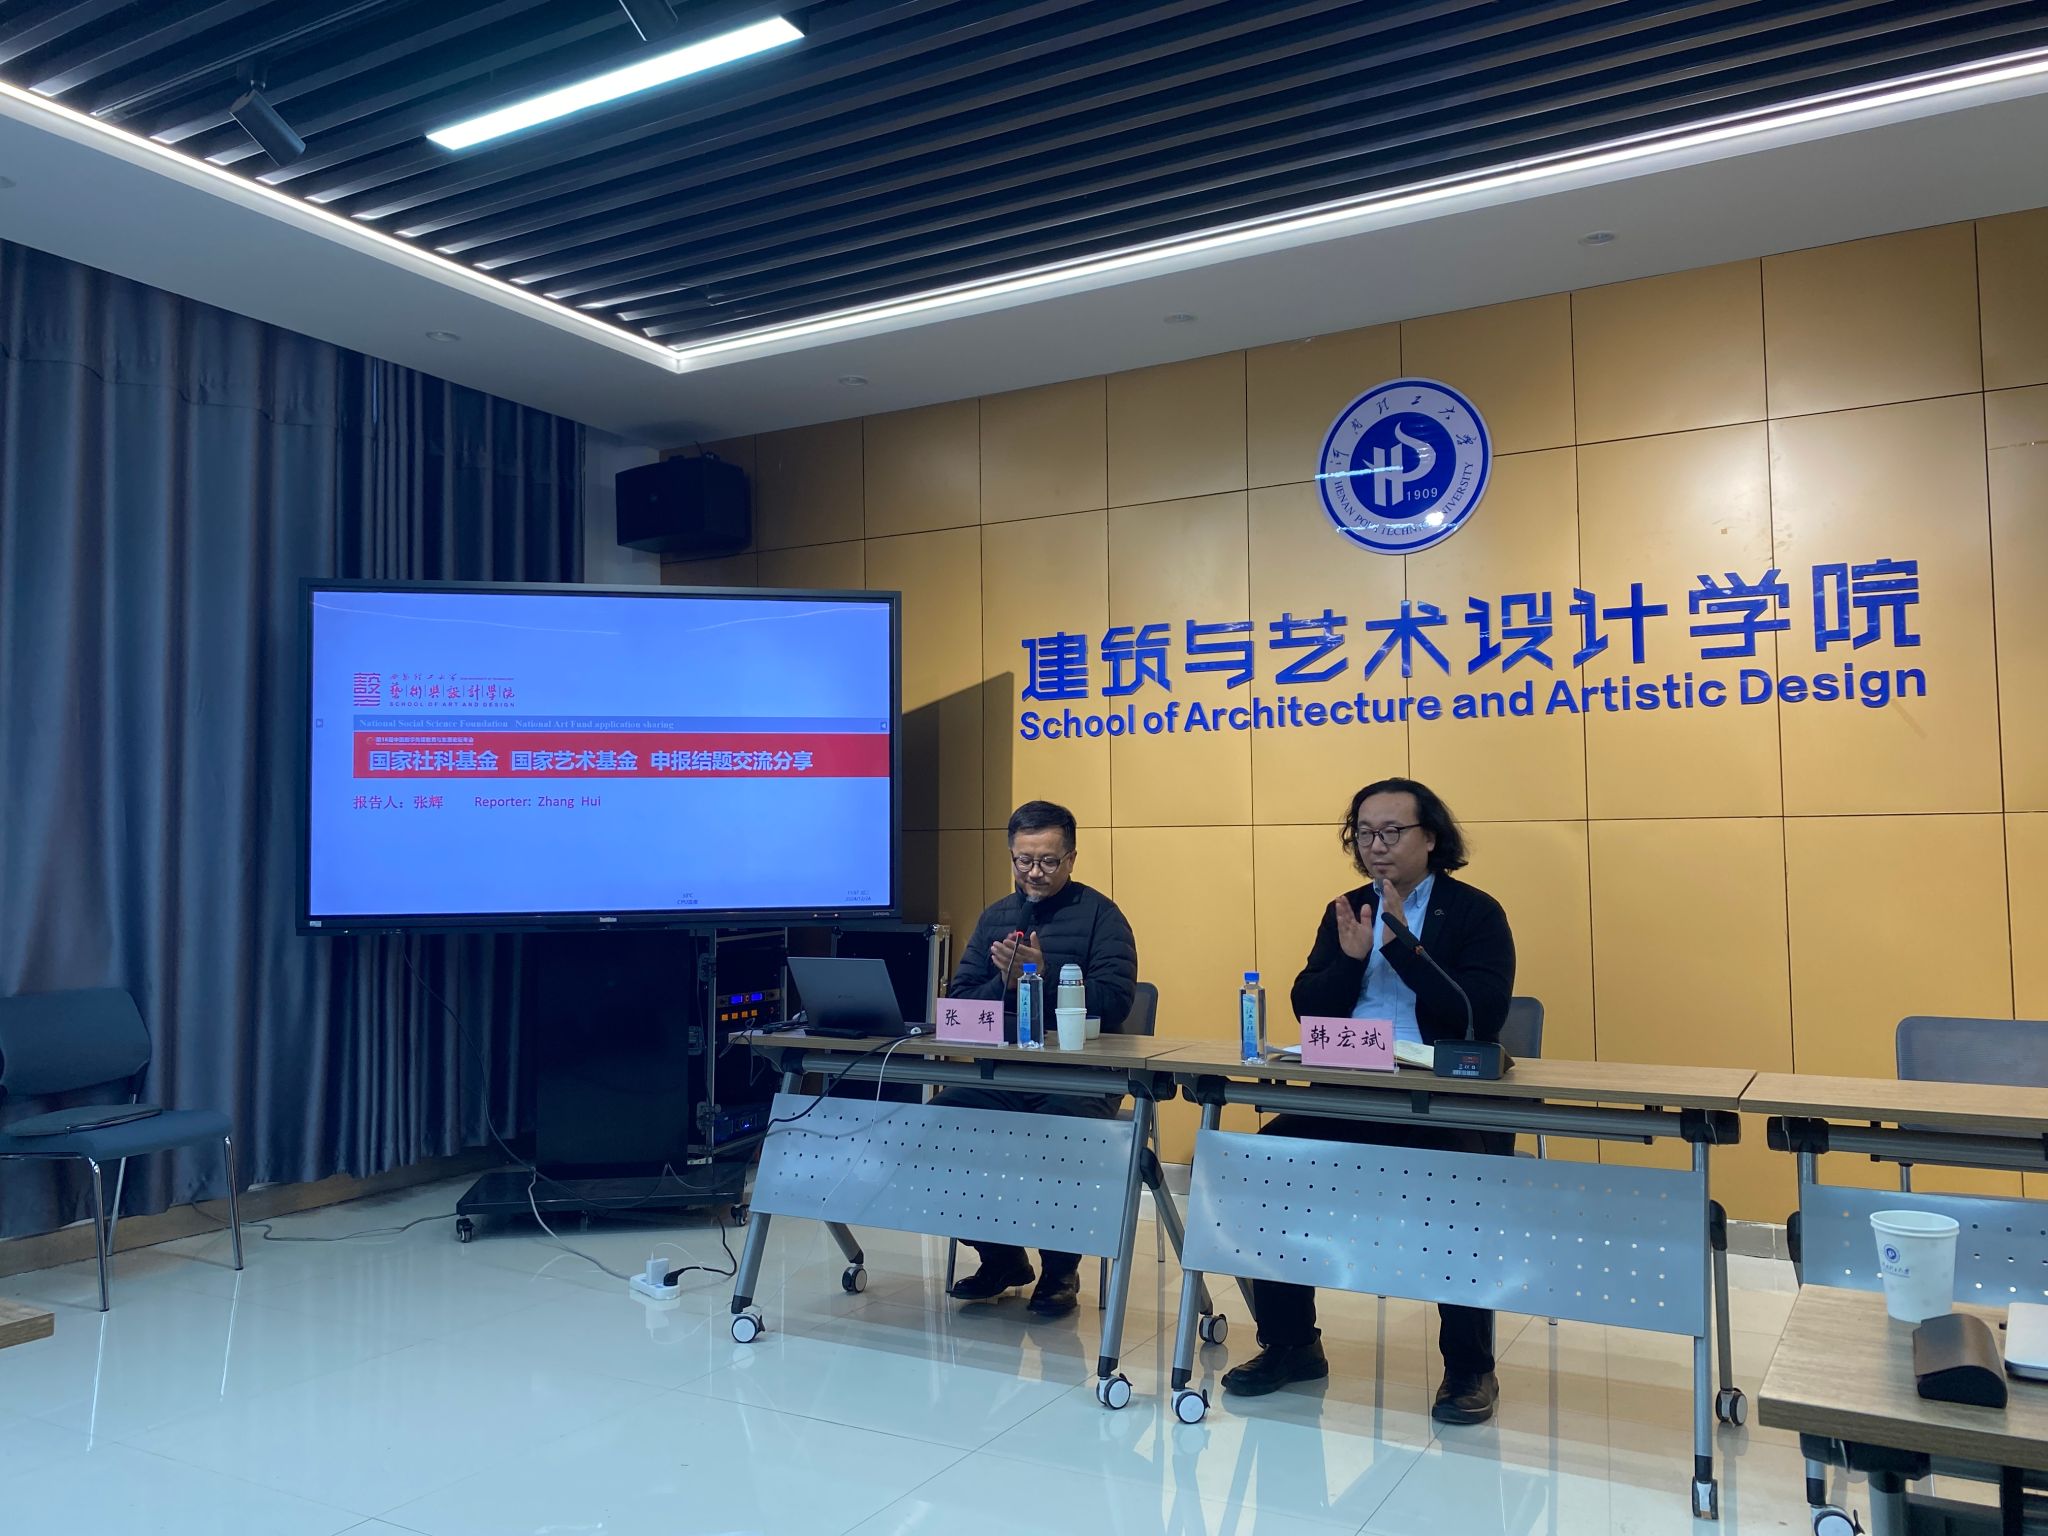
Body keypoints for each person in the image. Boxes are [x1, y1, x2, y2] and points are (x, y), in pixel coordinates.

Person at [1220, 776, 1516, 1424]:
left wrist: (1402, 947)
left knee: (1464, 1180)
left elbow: (1479, 1014)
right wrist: (1352, 960)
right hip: (1352, 1090)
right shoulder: (1347, 908)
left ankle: (1470, 1366)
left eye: (1391, 832)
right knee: (1267, 1159)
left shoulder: (1475, 912)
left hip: (1440, 1098)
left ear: (1430, 838)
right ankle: (1291, 1343)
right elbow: (1309, 1008)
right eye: (1364, 833)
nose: (1375, 845)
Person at [931, 799, 1137, 1318]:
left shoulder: (1102, 916)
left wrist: (1042, 976)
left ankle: (1060, 1269)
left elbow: (1115, 1002)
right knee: (940, 1122)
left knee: (1060, 1134)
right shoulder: (996, 917)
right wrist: (1003, 983)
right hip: (1004, 1072)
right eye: (1023, 860)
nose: (1035, 873)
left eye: (1047, 860)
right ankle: (1001, 1258)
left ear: (1071, 859)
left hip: (1080, 1077)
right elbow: (960, 1004)